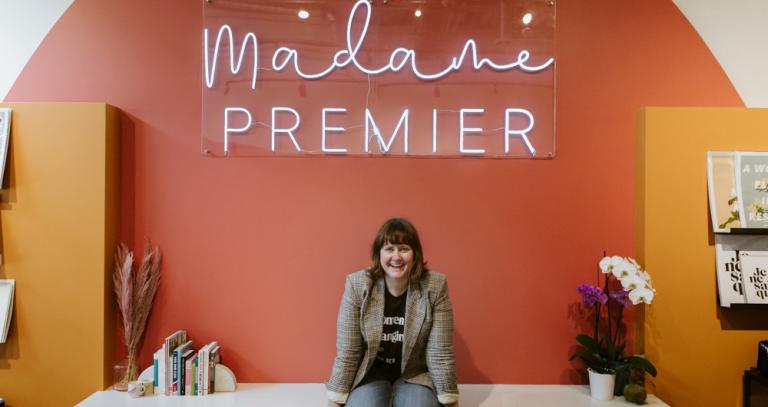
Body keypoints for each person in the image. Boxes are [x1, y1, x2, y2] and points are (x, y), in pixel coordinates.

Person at [326, 218, 459, 407]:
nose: (396, 257)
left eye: (404, 249)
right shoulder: (357, 285)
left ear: (415, 254)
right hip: (371, 374)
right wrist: (336, 400)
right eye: (389, 249)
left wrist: (450, 402)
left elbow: (440, 353)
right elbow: (349, 351)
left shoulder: (435, 286)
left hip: (414, 375)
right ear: (378, 254)